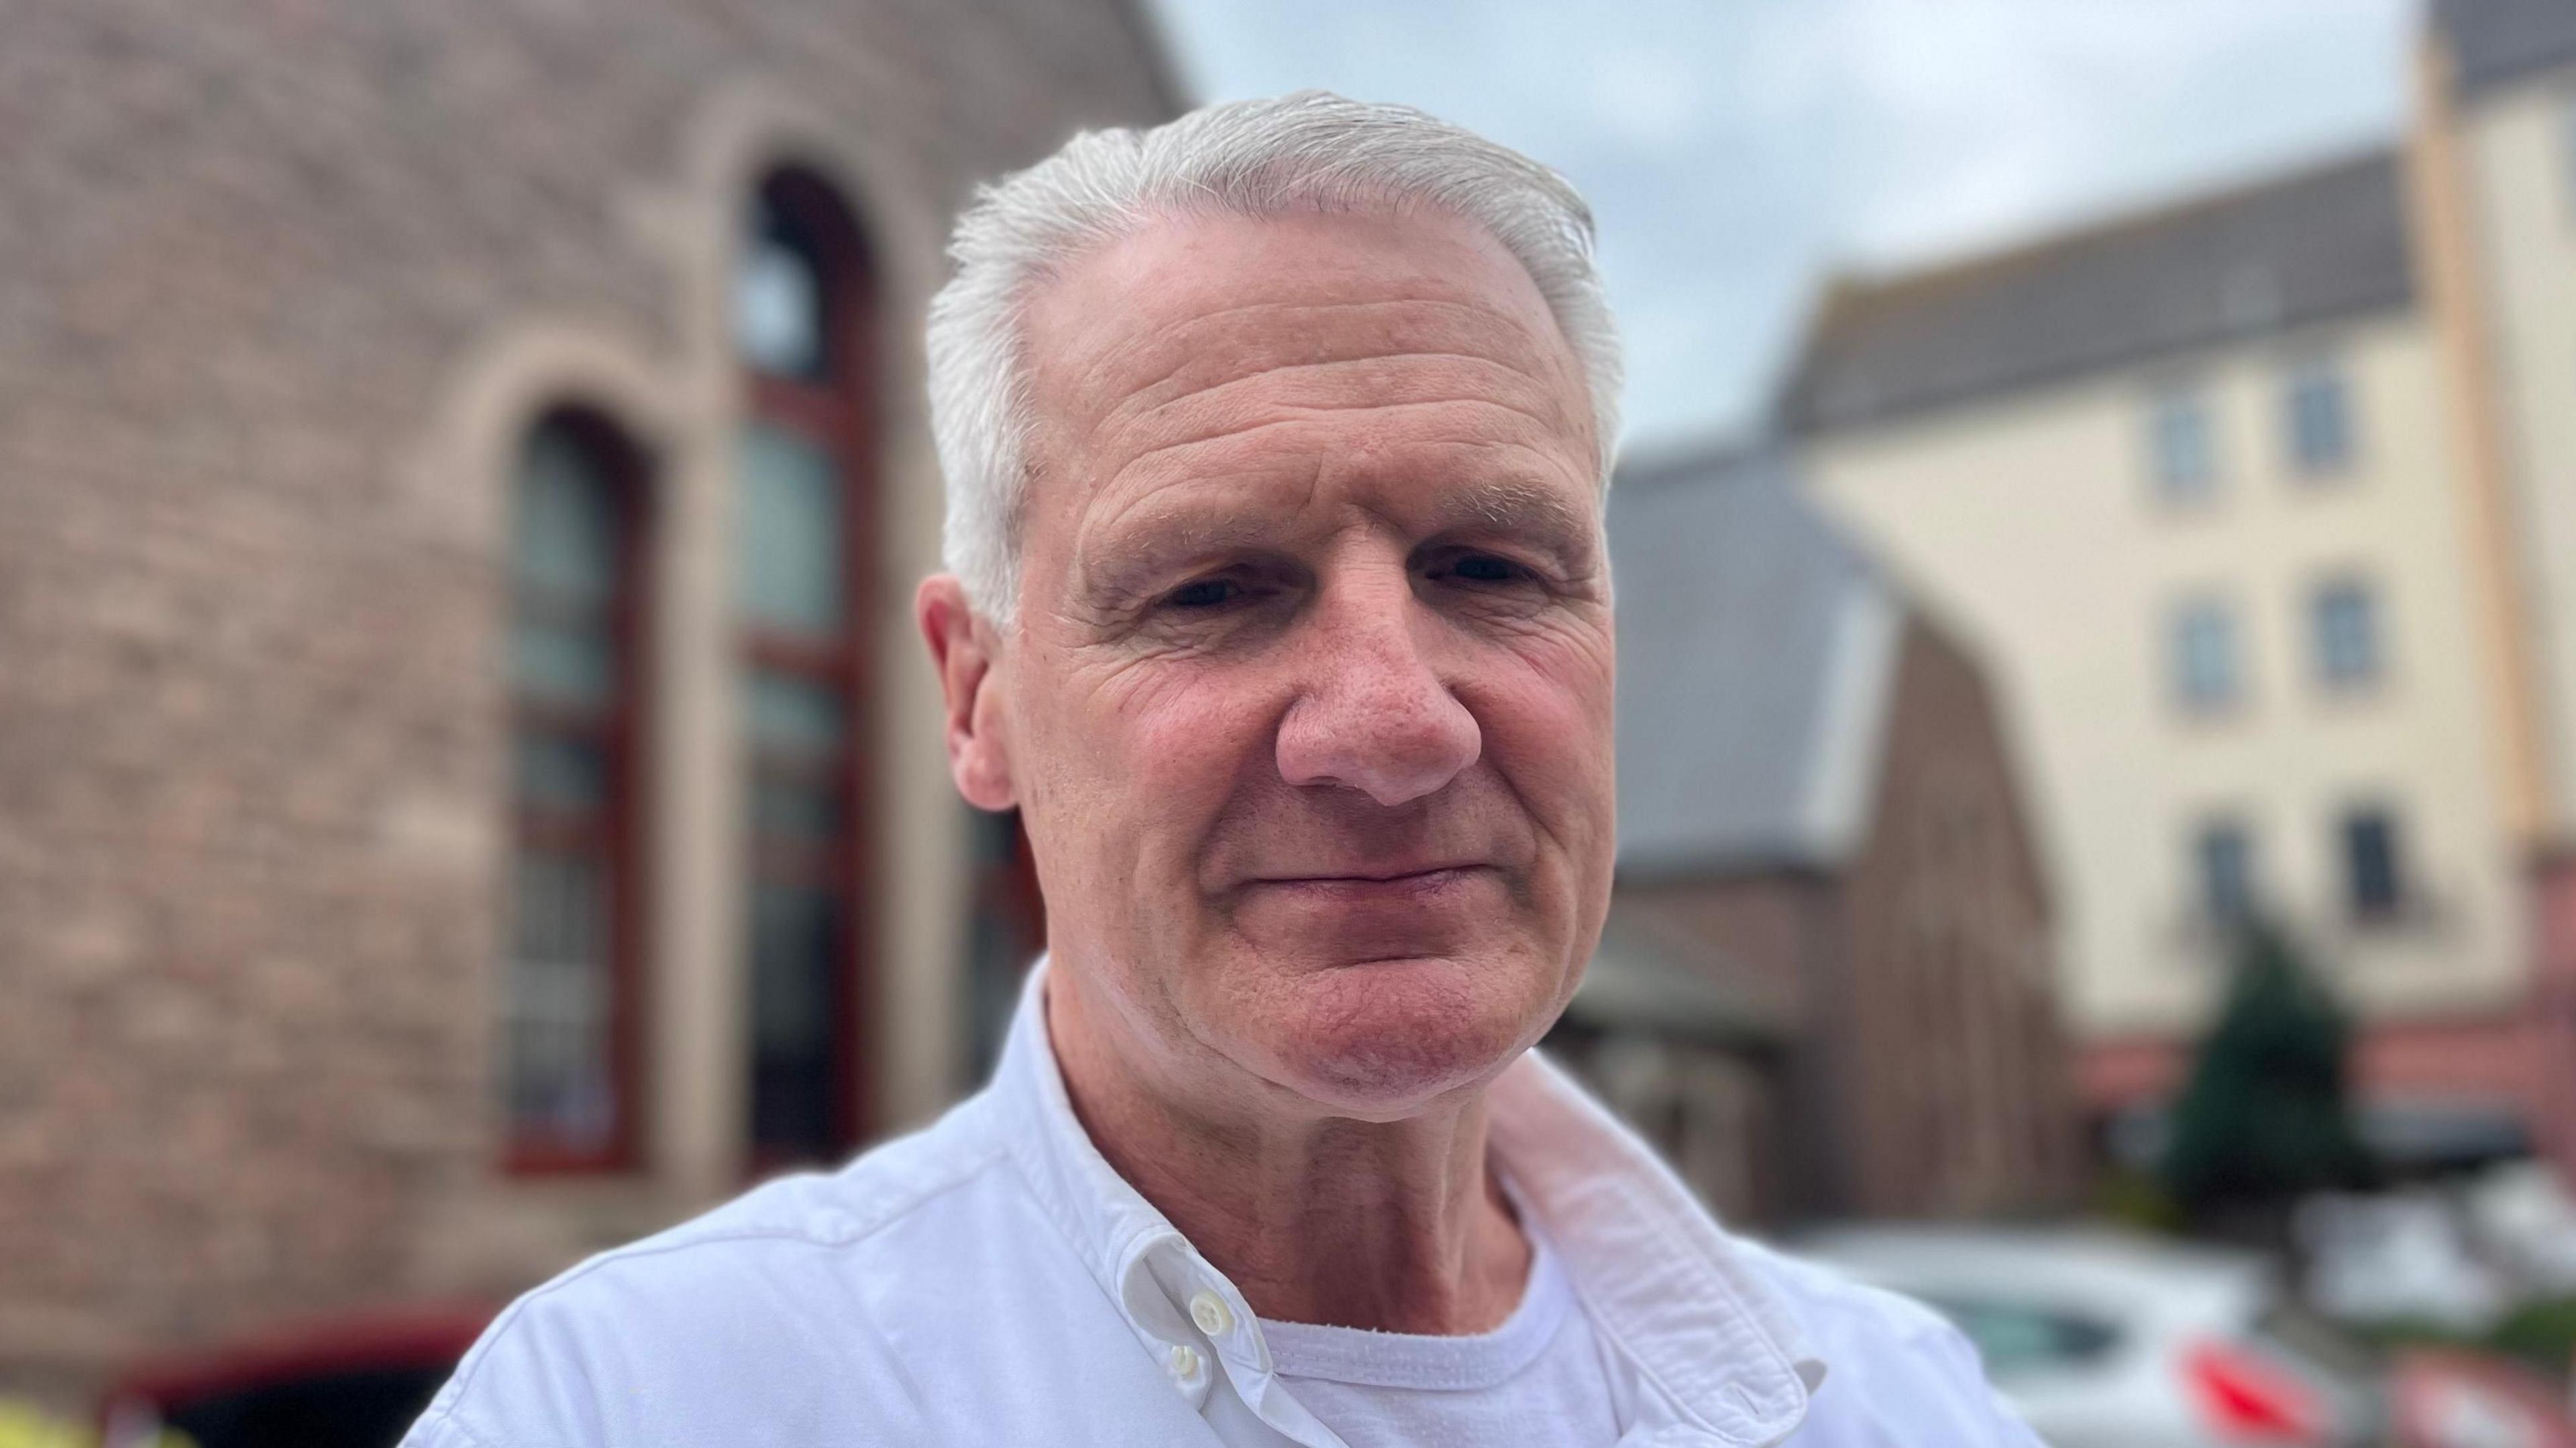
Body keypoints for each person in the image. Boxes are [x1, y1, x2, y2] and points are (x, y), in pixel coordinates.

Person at [402, 92, 2041, 1447]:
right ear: (979, 700)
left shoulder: (1903, 1406)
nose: (1395, 723)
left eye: (1490, 568)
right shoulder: (631, 1408)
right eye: (1211, 590)